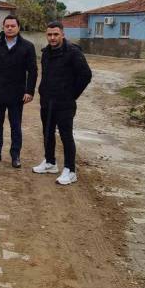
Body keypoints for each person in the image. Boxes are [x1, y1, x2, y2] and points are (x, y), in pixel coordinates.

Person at [33, 21, 92, 185]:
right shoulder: (46, 53)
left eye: (55, 34)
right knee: (47, 132)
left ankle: (70, 170)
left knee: (66, 136)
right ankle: (50, 162)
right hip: (47, 101)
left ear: (63, 35)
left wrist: (72, 94)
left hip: (65, 103)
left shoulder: (73, 52)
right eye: (49, 35)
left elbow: (86, 75)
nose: (52, 38)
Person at [0, 15, 37, 168]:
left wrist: (29, 91)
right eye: (7, 26)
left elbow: (33, 71)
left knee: (15, 126)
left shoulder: (27, 47)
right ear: (3, 28)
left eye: (13, 26)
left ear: (18, 28)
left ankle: (15, 155)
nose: (10, 28)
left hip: (17, 94)